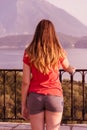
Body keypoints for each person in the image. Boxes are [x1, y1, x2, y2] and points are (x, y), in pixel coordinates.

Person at [21, 19, 75, 130]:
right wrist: (71, 70)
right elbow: (67, 66)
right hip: (54, 96)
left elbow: (25, 82)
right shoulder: (58, 51)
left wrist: (23, 105)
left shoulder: (29, 52)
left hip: (35, 97)